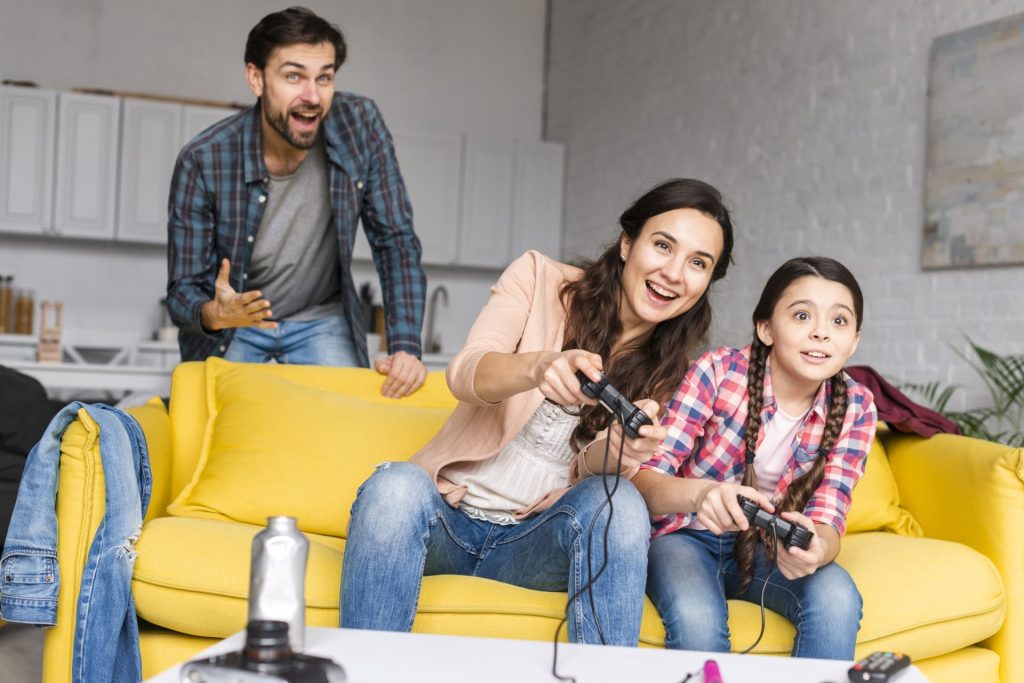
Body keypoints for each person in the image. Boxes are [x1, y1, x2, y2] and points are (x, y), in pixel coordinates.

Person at [340, 178, 736, 645]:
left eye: (697, 263)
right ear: (628, 243)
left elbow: (594, 474)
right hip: (449, 519)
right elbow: (466, 373)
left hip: (538, 542)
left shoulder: (674, 372)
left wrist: (619, 451)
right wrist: (539, 367)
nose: (674, 272)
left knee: (620, 502)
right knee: (393, 485)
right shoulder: (537, 278)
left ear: (708, 281)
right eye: (663, 245)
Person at [166, 6, 427, 397]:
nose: (312, 96)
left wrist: (405, 346)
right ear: (256, 78)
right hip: (238, 325)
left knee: (345, 428)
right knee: (217, 434)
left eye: (324, 77)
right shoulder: (204, 159)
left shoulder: (360, 124)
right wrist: (213, 314)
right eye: (293, 76)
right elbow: (181, 291)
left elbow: (396, 242)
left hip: (322, 317)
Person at [633, 256, 877, 659]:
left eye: (838, 322)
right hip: (684, 536)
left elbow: (830, 514)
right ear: (765, 328)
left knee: (836, 596)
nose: (821, 334)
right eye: (802, 316)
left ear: (854, 341)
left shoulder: (856, 406)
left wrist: (818, 548)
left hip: (767, 546)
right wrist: (703, 495)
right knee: (697, 620)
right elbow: (644, 479)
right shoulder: (718, 373)